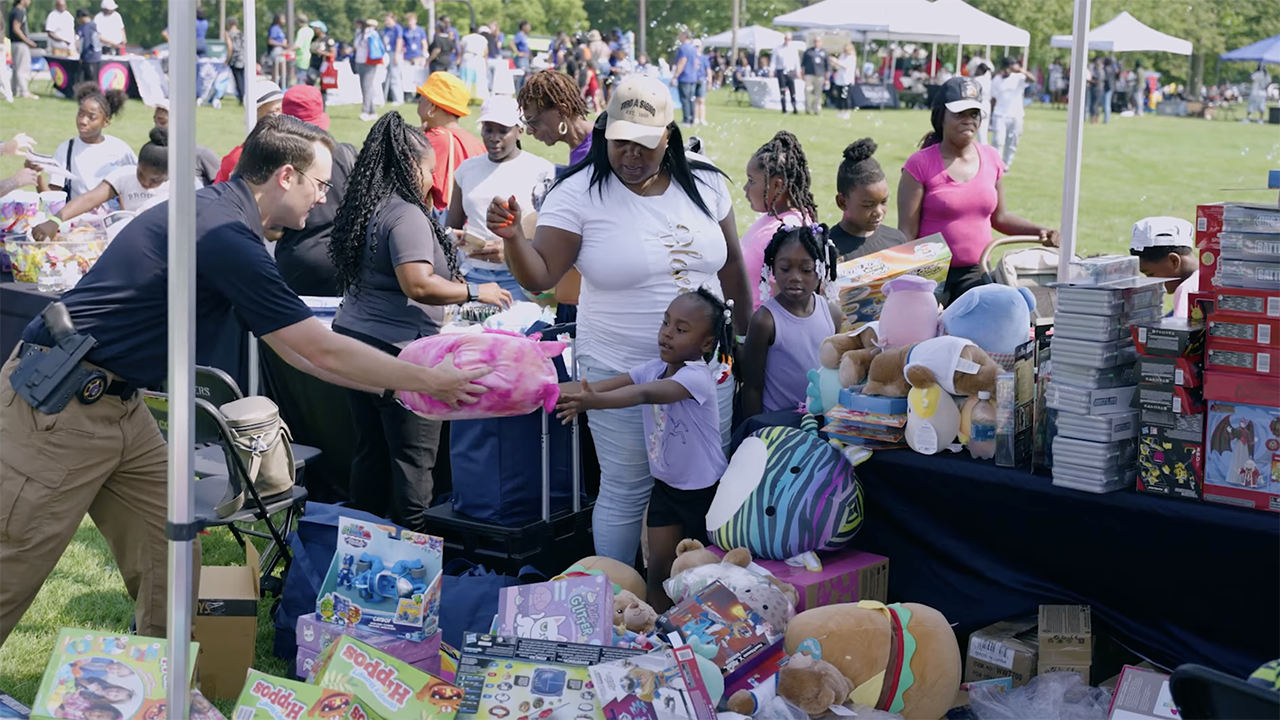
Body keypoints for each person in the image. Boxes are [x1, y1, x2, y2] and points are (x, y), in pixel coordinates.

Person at [0, 114, 489, 648]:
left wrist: (402, 381)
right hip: (60, 403)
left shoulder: (221, 216)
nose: (322, 200)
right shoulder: (225, 233)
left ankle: (167, 685)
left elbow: (303, 351)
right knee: (14, 562)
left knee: (173, 551)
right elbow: (313, 348)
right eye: (320, 185)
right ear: (286, 176)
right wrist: (424, 380)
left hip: (119, 403)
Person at [485, 75, 751, 565]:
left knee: (702, 481)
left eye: (645, 144)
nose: (631, 154)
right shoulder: (579, 192)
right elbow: (541, 274)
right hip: (617, 367)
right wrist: (513, 241)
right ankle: (618, 597)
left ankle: (692, 599)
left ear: (667, 137)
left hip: (704, 372)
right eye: (620, 141)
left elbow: (732, 265)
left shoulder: (705, 179)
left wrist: (747, 340)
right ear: (604, 131)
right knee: (627, 488)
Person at [327, 113, 508, 531]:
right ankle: (416, 551)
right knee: (413, 459)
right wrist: (476, 292)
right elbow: (418, 284)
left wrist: (451, 240)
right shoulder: (406, 213)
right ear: (411, 166)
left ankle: (361, 542)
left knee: (370, 452)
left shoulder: (370, 203)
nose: (432, 179)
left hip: (356, 341)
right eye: (428, 170)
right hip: (397, 350)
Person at [555, 289, 732, 611]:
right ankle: (655, 633)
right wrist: (539, 392)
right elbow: (597, 387)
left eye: (681, 329)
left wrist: (592, 403)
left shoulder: (696, 378)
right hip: (665, 488)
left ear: (706, 344)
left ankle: (704, 634)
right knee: (659, 570)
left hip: (703, 493)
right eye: (666, 323)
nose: (667, 333)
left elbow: (642, 394)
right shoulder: (652, 368)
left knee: (701, 574)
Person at [898, 76, 1058, 304]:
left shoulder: (992, 157)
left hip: (977, 272)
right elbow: (906, 233)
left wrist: (1043, 232)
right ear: (941, 116)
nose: (968, 121)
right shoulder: (919, 164)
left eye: (974, 114)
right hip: (930, 275)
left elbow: (1000, 218)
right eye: (959, 114)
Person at [449, 96, 555, 296]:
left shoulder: (540, 170)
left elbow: (549, 235)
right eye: (488, 129)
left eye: (503, 131)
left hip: (520, 279)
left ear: (519, 132)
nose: (494, 137)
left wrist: (509, 251)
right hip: (473, 276)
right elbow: (451, 228)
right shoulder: (466, 169)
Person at [740, 224, 842, 418]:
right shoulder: (765, 321)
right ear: (773, 268)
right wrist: (753, 428)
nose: (795, 277)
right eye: (785, 269)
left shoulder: (832, 314)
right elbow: (752, 387)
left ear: (821, 269)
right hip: (778, 425)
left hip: (820, 418)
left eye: (806, 270)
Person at [274, 85, 353, 297]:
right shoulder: (345, 153)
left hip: (297, 263)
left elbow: (273, 230)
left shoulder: (278, 160)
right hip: (343, 263)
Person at [31, 128, 174, 239]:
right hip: (131, 242)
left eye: (155, 180)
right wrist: (55, 220)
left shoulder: (184, 186)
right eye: (140, 174)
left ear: (170, 174)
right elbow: (89, 199)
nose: (145, 182)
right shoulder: (124, 175)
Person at [740, 131, 817, 310]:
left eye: (751, 181)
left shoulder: (786, 230)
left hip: (760, 333)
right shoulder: (773, 218)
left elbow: (785, 304)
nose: (745, 188)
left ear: (777, 185)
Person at [31, 82, 135, 202]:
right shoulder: (66, 150)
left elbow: (137, 184)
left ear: (105, 122)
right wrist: (36, 175)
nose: (83, 121)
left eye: (91, 117)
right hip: (78, 218)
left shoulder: (119, 149)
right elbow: (52, 200)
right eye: (80, 114)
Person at [416, 72, 483, 216]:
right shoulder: (477, 143)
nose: (419, 104)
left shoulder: (432, 141)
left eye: (421, 99)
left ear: (432, 106)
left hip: (441, 228)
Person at [831, 138, 907, 262]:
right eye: (868, 205)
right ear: (842, 202)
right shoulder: (828, 249)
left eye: (883, 202)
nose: (879, 212)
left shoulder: (896, 241)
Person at [213, 82, 284, 183]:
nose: (281, 117)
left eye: (282, 110)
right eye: (274, 112)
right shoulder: (239, 158)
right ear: (256, 118)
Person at [1130, 217, 1198, 318]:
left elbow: (1178, 331)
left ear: (1174, 261)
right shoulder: (1212, 275)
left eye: (1150, 274)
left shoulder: (1187, 291)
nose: (1151, 282)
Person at [150, 99, 218, 187]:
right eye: (155, 121)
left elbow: (221, 190)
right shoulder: (153, 152)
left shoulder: (202, 155)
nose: (157, 126)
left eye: (162, 122)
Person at [989, 57, 1033, 169]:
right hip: (1000, 114)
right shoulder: (997, 80)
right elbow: (993, 98)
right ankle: (997, 163)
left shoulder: (1019, 78)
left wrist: (1020, 70)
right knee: (998, 140)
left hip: (1016, 114)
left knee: (1012, 141)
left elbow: (1032, 79)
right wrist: (991, 114)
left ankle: (1006, 163)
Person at [354, 18, 384, 122]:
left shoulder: (371, 34)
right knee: (365, 87)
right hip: (360, 61)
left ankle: (365, 111)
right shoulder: (359, 34)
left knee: (367, 87)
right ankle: (372, 111)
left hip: (369, 62)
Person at [8, 0, 36, 100]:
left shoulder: (14, 10)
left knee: (16, 69)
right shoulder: (19, 12)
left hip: (14, 44)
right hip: (20, 44)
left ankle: (14, 90)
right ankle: (24, 92)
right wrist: (27, 41)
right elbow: (16, 28)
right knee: (22, 69)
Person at [671, 30, 699, 125]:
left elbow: (682, 62)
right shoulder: (693, 48)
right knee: (691, 98)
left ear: (684, 36)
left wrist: (675, 76)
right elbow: (696, 63)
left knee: (685, 99)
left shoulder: (683, 48)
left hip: (684, 77)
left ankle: (686, 119)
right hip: (693, 77)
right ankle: (692, 119)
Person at [772, 33, 801, 115]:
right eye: (786, 39)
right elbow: (774, 60)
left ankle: (794, 107)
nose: (787, 41)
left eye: (789, 39)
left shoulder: (793, 49)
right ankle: (784, 108)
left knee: (792, 90)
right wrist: (772, 70)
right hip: (781, 70)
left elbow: (796, 61)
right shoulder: (778, 49)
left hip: (790, 71)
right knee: (782, 90)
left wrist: (798, 71)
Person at [459, 24, 490, 102]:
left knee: (466, 78)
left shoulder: (465, 38)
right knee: (480, 78)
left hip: (468, 57)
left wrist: (459, 59)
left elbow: (461, 50)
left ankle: (466, 96)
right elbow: (486, 52)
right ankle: (480, 96)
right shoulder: (482, 38)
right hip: (479, 58)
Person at [75, 8, 102, 88]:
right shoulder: (94, 25)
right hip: (97, 56)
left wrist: (81, 55)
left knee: (90, 79)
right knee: (95, 79)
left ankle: (92, 95)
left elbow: (85, 43)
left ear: (81, 17)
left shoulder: (85, 27)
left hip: (89, 56)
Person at [381, 13, 404, 106]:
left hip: (395, 52)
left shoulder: (397, 28)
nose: (386, 22)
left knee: (395, 76)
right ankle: (384, 97)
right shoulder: (386, 29)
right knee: (386, 76)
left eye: (388, 20)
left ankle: (398, 99)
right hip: (387, 52)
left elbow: (399, 41)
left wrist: (396, 55)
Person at [801, 36, 828, 116]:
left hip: (820, 75)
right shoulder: (808, 52)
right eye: (815, 41)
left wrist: (827, 78)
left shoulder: (824, 52)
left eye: (818, 41)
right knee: (807, 91)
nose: (817, 43)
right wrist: (802, 74)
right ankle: (808, 108)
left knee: (818, 93)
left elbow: (827, 66)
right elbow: (803, 64)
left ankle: (817, 109)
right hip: (809, 74)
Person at [832, 43, 858, 120]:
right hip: (839, 80)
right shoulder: (842, 56)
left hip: (847, 80)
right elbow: (838, 66)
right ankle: (840, 111)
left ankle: (847, 112)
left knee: (845, 97)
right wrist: (834, 64)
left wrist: (836, 61)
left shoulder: (852, 58)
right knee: (839, 97)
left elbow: (845, 65)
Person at [972, 61, 993, 145]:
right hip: (987, 104)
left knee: (978, 132)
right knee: (983, 132)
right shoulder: (989, 80)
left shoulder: (976, 80)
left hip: (979, 103)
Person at [226, 16, 245, 105]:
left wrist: (227, 60)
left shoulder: (229, 34)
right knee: (243, 78)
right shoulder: (242, 33)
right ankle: (245, 96)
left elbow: (230, 47)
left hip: (235, 59)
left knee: (238, 80)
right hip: (243, 58)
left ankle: (242, 98)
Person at [267, 13, 288, 87]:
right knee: (279, 70)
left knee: (279, 70)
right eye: (283, 19)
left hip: (281, 49)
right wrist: (282, 44)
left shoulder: (280, 29)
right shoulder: (274, 28)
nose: (284, 21)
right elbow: (270, 41)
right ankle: (277, 85)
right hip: (277, 50)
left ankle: (280, 85)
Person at [693, 39, 711, 125]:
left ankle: (702, 118)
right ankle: (695, 118)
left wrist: (710, 81)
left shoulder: (704, 58)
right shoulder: (692, 57)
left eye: (698, 47)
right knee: (695, 100)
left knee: (701, 100)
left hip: (702, 79)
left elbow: (708, 69)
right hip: (693, 80)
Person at [293, 13, 313, 86]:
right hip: (307, 57)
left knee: (300, 80)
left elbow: (298, 45)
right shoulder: (311, 31)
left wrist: (288, 50)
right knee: (305, 78)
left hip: (300, 58)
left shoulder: (301, 31)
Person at [511, 20, 531, 90]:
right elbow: (511, 43)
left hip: (525, 57)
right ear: (523, 27)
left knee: (524, 78)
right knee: (520, 78)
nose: (529, 28)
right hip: (521, 59)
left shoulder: (524, 36)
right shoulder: (520, 35)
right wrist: (518, 52)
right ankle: (518, 93)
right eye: (528, 26)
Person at [1102, 56, 1117, 124]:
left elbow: (1105, 78)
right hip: (1112, 86)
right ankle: (1107, 118)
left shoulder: (1105, 69)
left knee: (1106, 103)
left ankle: (1106, 119)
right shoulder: (1112, 69)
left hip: (1107, 87)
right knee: (1108, 103)